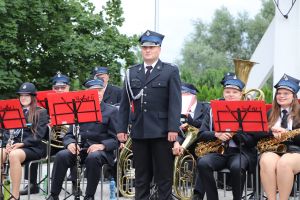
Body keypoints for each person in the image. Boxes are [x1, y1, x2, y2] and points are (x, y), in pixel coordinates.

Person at [117, 30, 182, 200]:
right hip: (139, 130)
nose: (147, 50)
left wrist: (173, 128)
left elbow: (175, 103)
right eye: (144, 47)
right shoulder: (132, 72)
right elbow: (125, 104)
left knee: (164, 178)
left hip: (162, 132)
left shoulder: (170, 71)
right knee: (141, 178)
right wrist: (121, 129)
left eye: (152, 47)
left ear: (159, 49)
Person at [46, 78, 118, 200]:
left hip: (102, 152)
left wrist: (102, 146)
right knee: (62, 155)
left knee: (93, 157)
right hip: (81, 149)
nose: (98, 93)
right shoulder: (78, 109)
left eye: (100, 90)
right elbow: (68, 135)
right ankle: (54, 195)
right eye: (94, 91)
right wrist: (70, 143)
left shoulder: (111, 111)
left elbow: (117, 138)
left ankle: (89, 196)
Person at [196, 74, 257, 200]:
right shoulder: (212, 109)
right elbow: (201, 134)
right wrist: (216, 134)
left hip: (240, 152)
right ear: (223, 93)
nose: (230, 94)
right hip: (218, 151)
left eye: (235, 92)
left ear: (241, 94)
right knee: (203, 163)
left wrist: (236, 132)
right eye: (227, 91)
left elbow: (252, 141)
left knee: (237, 167)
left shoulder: (249, 110)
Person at [20, 72, 72, 195]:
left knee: (74, 149)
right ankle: (32, 184)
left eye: (62, 87)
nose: (59, 90)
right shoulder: (45, 103)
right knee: (32, 146)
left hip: (69, 139)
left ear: (68, 87)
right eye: (56, 88)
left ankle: (75, 185)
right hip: (51, 140)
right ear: (52, 88)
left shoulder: (76, 101)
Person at [0, 82, 49, 200]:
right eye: (21, 95)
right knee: (0, 153)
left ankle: (15, 195)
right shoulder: (13, 111)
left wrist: (22, 144)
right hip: (14, 145)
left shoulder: (41, 112)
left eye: (27, 95)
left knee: (13, 155)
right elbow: (6, 130)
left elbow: (39, 135)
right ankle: (1, 193)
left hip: (33, 147)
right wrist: (7, 144)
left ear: (33, 97)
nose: (23, 98)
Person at [259, 74, 300, 200]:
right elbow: (257, 133)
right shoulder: (270, 113)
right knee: (265, 160)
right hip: (275, 149)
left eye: (286, 93)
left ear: (294, 96)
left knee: (284, 163)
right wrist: (271, 132)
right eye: (279, 93)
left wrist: (286, 133)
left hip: (296, 150)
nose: (281, 96)